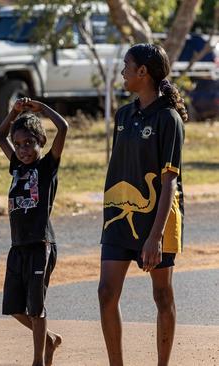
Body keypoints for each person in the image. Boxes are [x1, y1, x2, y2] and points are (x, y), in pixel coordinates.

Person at [98, 43, 186, 366]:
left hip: (157, 220)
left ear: (142, 72)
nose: (122, 72)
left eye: (126, 65)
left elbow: (169, 182)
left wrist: (154, 237)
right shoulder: (124, 115)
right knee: (106, 293)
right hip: (119, 218)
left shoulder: (169, 120)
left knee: (162, 295)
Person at [0, 97, 68, 366]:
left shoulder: (47, 167)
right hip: (18, 245)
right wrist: (13, 112)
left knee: (36, 307)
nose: (23, 149)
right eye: (19, 145)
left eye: (29, 143)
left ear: (41, 143)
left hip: (41, 244)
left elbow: (64, 128)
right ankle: (48, 339)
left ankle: (39, 359)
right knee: (14, 307)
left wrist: (41, 108)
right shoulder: (16, 166)